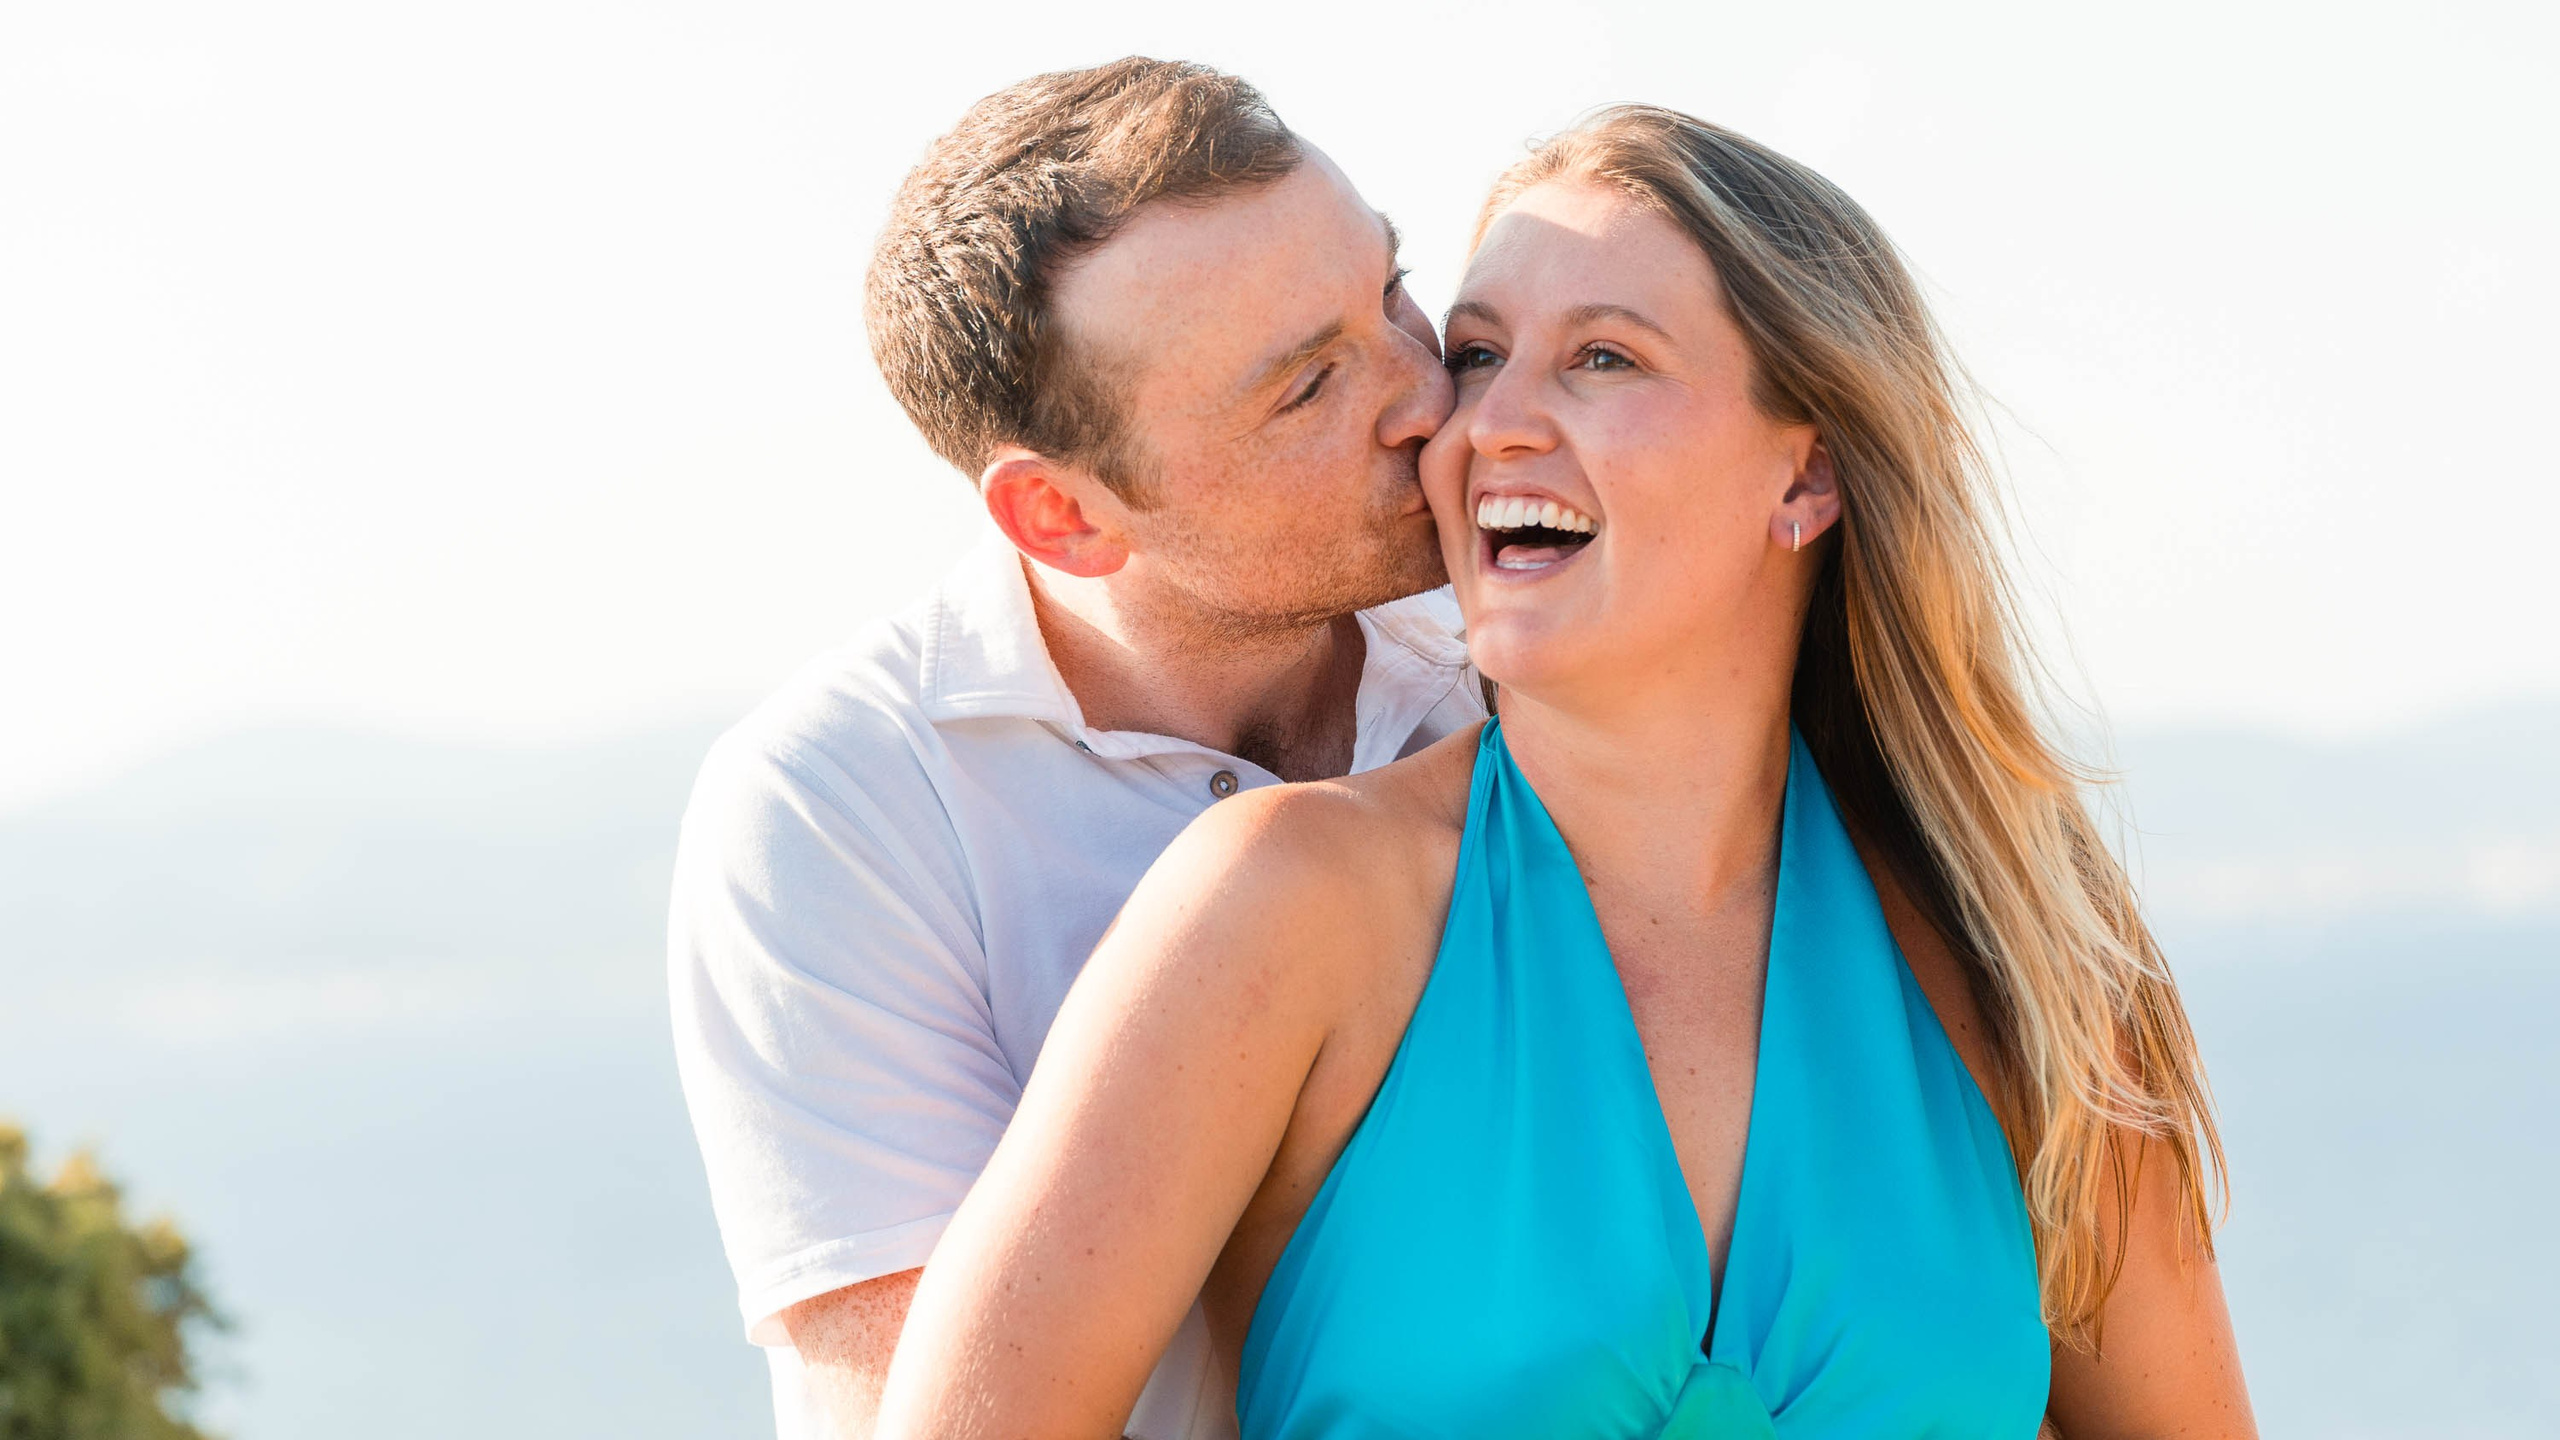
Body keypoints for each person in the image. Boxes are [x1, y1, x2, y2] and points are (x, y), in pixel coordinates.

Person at [875, 106, 2256, 1438]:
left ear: (1807, 477)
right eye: (1477, 354)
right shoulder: (1283, 911)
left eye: (1604, 358)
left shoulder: (2018, 948)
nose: (1480, 424)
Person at [667, 59, 1481, 1440]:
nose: (1424, 395)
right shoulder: (841, 811)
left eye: (1392, 291)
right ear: (1061, 516)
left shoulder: (1531, 662)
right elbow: (916, 1410)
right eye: (1308, 389)